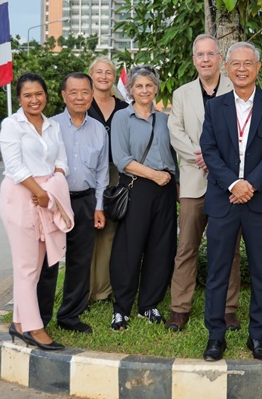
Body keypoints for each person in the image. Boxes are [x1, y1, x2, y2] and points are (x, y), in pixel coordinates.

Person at [200, 42, 262, 362]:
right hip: (224, 199)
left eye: (248, 63)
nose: (241, 69)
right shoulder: (216, 106)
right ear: (227, 68)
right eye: (235, 63)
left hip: (258, 200)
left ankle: (258, 336)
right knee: (218, 271)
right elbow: (209, 149)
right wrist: (234, 184)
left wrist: (250, 184)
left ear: (258, 68)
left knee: (261, 271)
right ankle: (215, 335)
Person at [166, 34, 241, 333]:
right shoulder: (182, 94)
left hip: (229, 183)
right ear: (194, 60)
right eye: (200, 54)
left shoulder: (237, 88)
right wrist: (203, 156)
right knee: (187, 247)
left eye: (211, 54)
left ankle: (228, 309)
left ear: (220, 58)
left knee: (229, 250)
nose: (206, 59)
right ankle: (179, 308)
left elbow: (243, 131)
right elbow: (175, 132)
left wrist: (218, 161)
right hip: (194, 179)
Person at [0, 73, 74, 351]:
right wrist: (39, 192)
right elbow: (15, 167)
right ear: (19, 98)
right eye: (27, 95)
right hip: (21, 196)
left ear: (46, 95)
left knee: (38, 265)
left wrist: (50, 189)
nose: (34, 99)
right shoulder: (11, 125)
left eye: (39, 94)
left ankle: (19, 323)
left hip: (47, 197)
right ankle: (34, 328)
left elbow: (62, 161)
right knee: (27, 267)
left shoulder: (53, 126)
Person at [37, 73, 109, 333]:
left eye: (85, 92)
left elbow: (102, 172)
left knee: (80, 260)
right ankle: (40, 317)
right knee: (48, 261)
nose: (80, 97)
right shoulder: (50, 126)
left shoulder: (99, 129)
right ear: (63, 96)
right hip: (55, 202)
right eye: (74, 92)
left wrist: (99, 206)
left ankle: (69, 315)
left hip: (85, 201)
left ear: (92, 95)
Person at [109, 66, 178, 331]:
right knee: (129, 249)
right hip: (137, 187)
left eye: (149, 85)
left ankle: (149, 304)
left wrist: (174, 184)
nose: (144, 90)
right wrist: (154, 175)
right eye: (139, 86)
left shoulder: (164, 120)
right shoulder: (122, 118)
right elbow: (121, 159)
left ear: (156, 88)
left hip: (165, 190)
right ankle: (121, 308)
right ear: (131, 90)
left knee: (161, 248)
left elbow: (173, 156)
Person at [86, 56, 130, 305]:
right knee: (85, 231)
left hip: (116, 173)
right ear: (91, 75)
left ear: (114, 77)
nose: (103, 76)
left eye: (108, 72)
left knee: (108, 232)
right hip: (86, 174)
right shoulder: (82, 102)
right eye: (99, 72)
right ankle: (83, 290)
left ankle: (101, 291)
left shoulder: (123, 107)